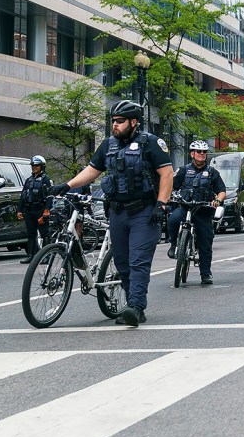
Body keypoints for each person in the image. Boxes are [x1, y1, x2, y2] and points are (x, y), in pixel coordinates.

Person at [50, 100, 173, 327]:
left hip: (144, 212)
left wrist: (161, 204)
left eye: (119, 121)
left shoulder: (152, 143)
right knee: (122, 262)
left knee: (138, 261)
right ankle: (133, 304)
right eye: (113, 121)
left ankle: (135, 307)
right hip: (117, 211)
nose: (114, 125)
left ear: (133, 122)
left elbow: (167, 174)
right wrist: (67, 185)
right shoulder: (108, 145)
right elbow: (92, 171)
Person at [167, 140, 226, 284]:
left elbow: (222, 191)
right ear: (192, 153)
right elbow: (171, 187)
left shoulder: (212, 172)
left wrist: (217, 200)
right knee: (172, 220)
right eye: (199, 152)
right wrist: (170, 196)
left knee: (206, 240)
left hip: (203, 210)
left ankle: (205, 274)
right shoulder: (183, 170)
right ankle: (174, 244)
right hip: (185, 207)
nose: (202, 154)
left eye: (204, 152)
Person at [17, 155, 53, 263]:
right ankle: (30, 255)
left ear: (42, 166)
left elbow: (50, 196)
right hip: (29, 209)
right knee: (31, 233)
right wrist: (19, 210)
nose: (34, 167)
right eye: (33, 165)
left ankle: (46, 255)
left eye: (37, 165)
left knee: (44, 233)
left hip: (40, 209)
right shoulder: (28, 180)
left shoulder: (46, 179)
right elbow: (23, 195)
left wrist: (47, 210)